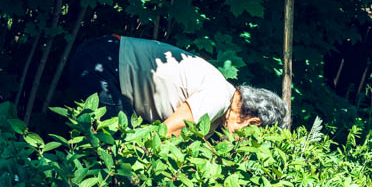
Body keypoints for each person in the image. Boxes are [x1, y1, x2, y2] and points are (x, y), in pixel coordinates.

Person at [68, 35, 287, 136]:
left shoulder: (220, 104)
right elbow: (165, 134)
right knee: (118, 149)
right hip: (104, 62)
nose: (241, 143)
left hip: (107, 60)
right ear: (253, 122)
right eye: (250, 137)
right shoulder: (219, 97)